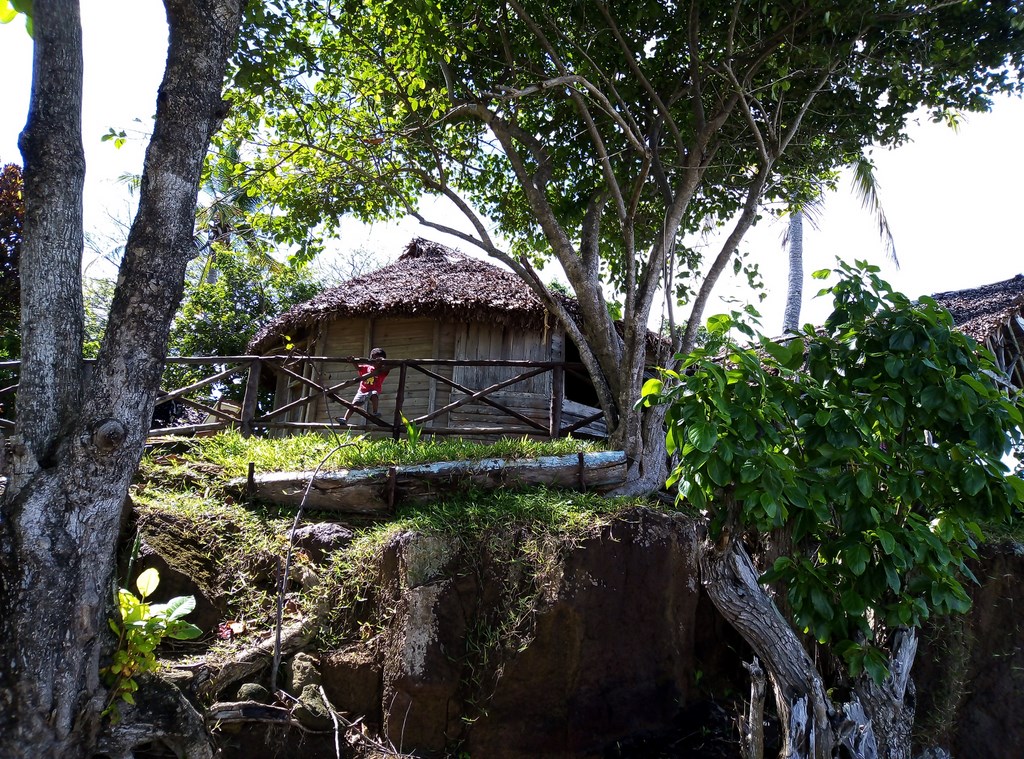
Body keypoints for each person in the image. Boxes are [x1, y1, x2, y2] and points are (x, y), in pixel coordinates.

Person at [338, 348, 389, 426]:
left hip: (374, 389)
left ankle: (375, 412)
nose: (375, 362)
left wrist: (383, 362)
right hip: (362, 390)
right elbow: (358, 367)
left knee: (374, 394)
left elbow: (388, 369)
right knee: (353, 405)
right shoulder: (367, 367)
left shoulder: (382, 371)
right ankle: (345, 419)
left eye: (378, 360)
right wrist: (353, 361)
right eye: (374, 359)